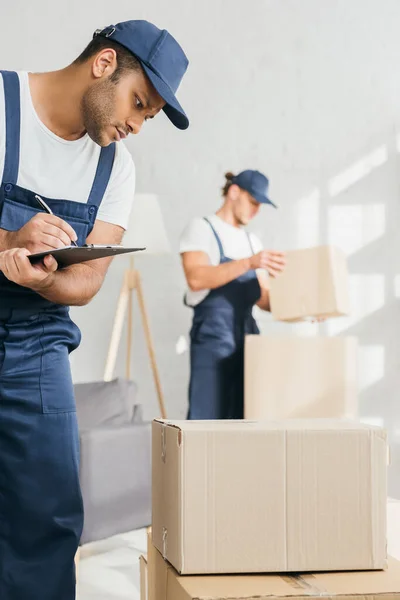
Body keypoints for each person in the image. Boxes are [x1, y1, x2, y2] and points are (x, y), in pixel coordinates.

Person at [0, 19, 189, 600]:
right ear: (104, 64)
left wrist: (45, 273)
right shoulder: (3, 108)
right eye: (138, 102)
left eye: (149, 116)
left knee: (49, 510)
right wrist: (7, 244)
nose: (136, 123)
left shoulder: (117, 168)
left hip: (37, 341)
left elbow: (86, 283)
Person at [180, 169, 286, 420]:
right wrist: (249, 263)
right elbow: (196, 278)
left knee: (246, 421)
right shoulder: (201, 228)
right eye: (253, 202)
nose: (256, 210)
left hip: (248, 341)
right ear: (234, 191)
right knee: (207, 420)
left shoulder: (252, 242)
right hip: (213, 338)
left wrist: (305, 309)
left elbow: (263, 299)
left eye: (260, 205)